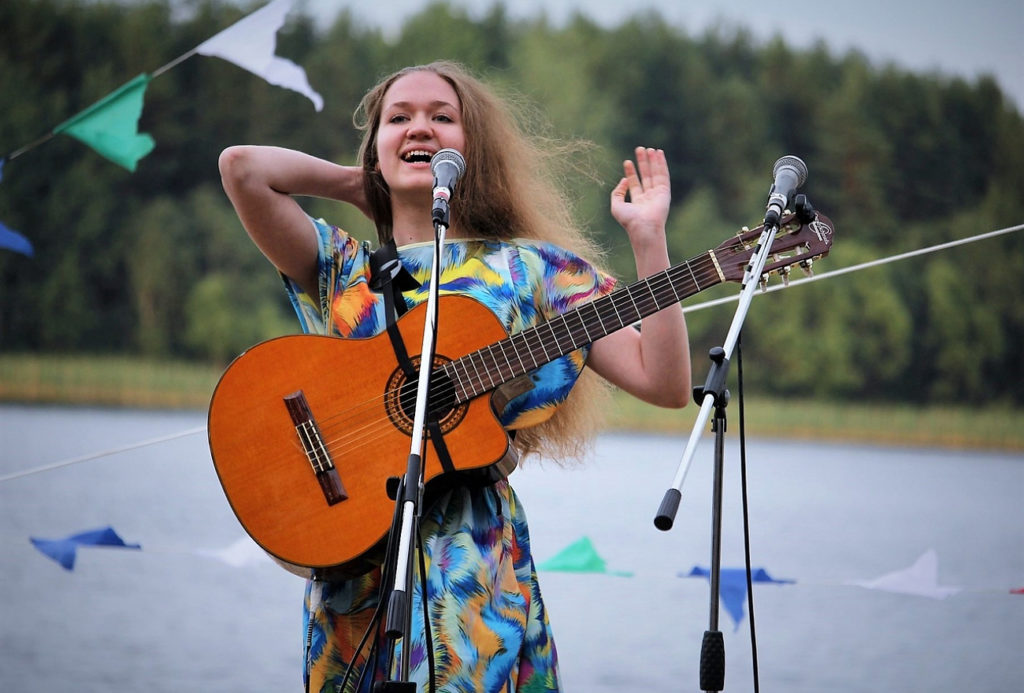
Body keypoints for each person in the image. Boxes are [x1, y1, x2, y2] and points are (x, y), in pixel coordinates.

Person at [218, 60, 691, 693]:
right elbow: (242, 169)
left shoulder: (532, 271)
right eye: (399, 119)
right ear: (375, 147)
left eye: (444, 118)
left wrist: (649, 241)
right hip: (356, 565)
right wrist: (363, 186)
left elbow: (663, 383)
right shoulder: (343, 267)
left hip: (471, 568)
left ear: (476, 152)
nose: (422, 128)